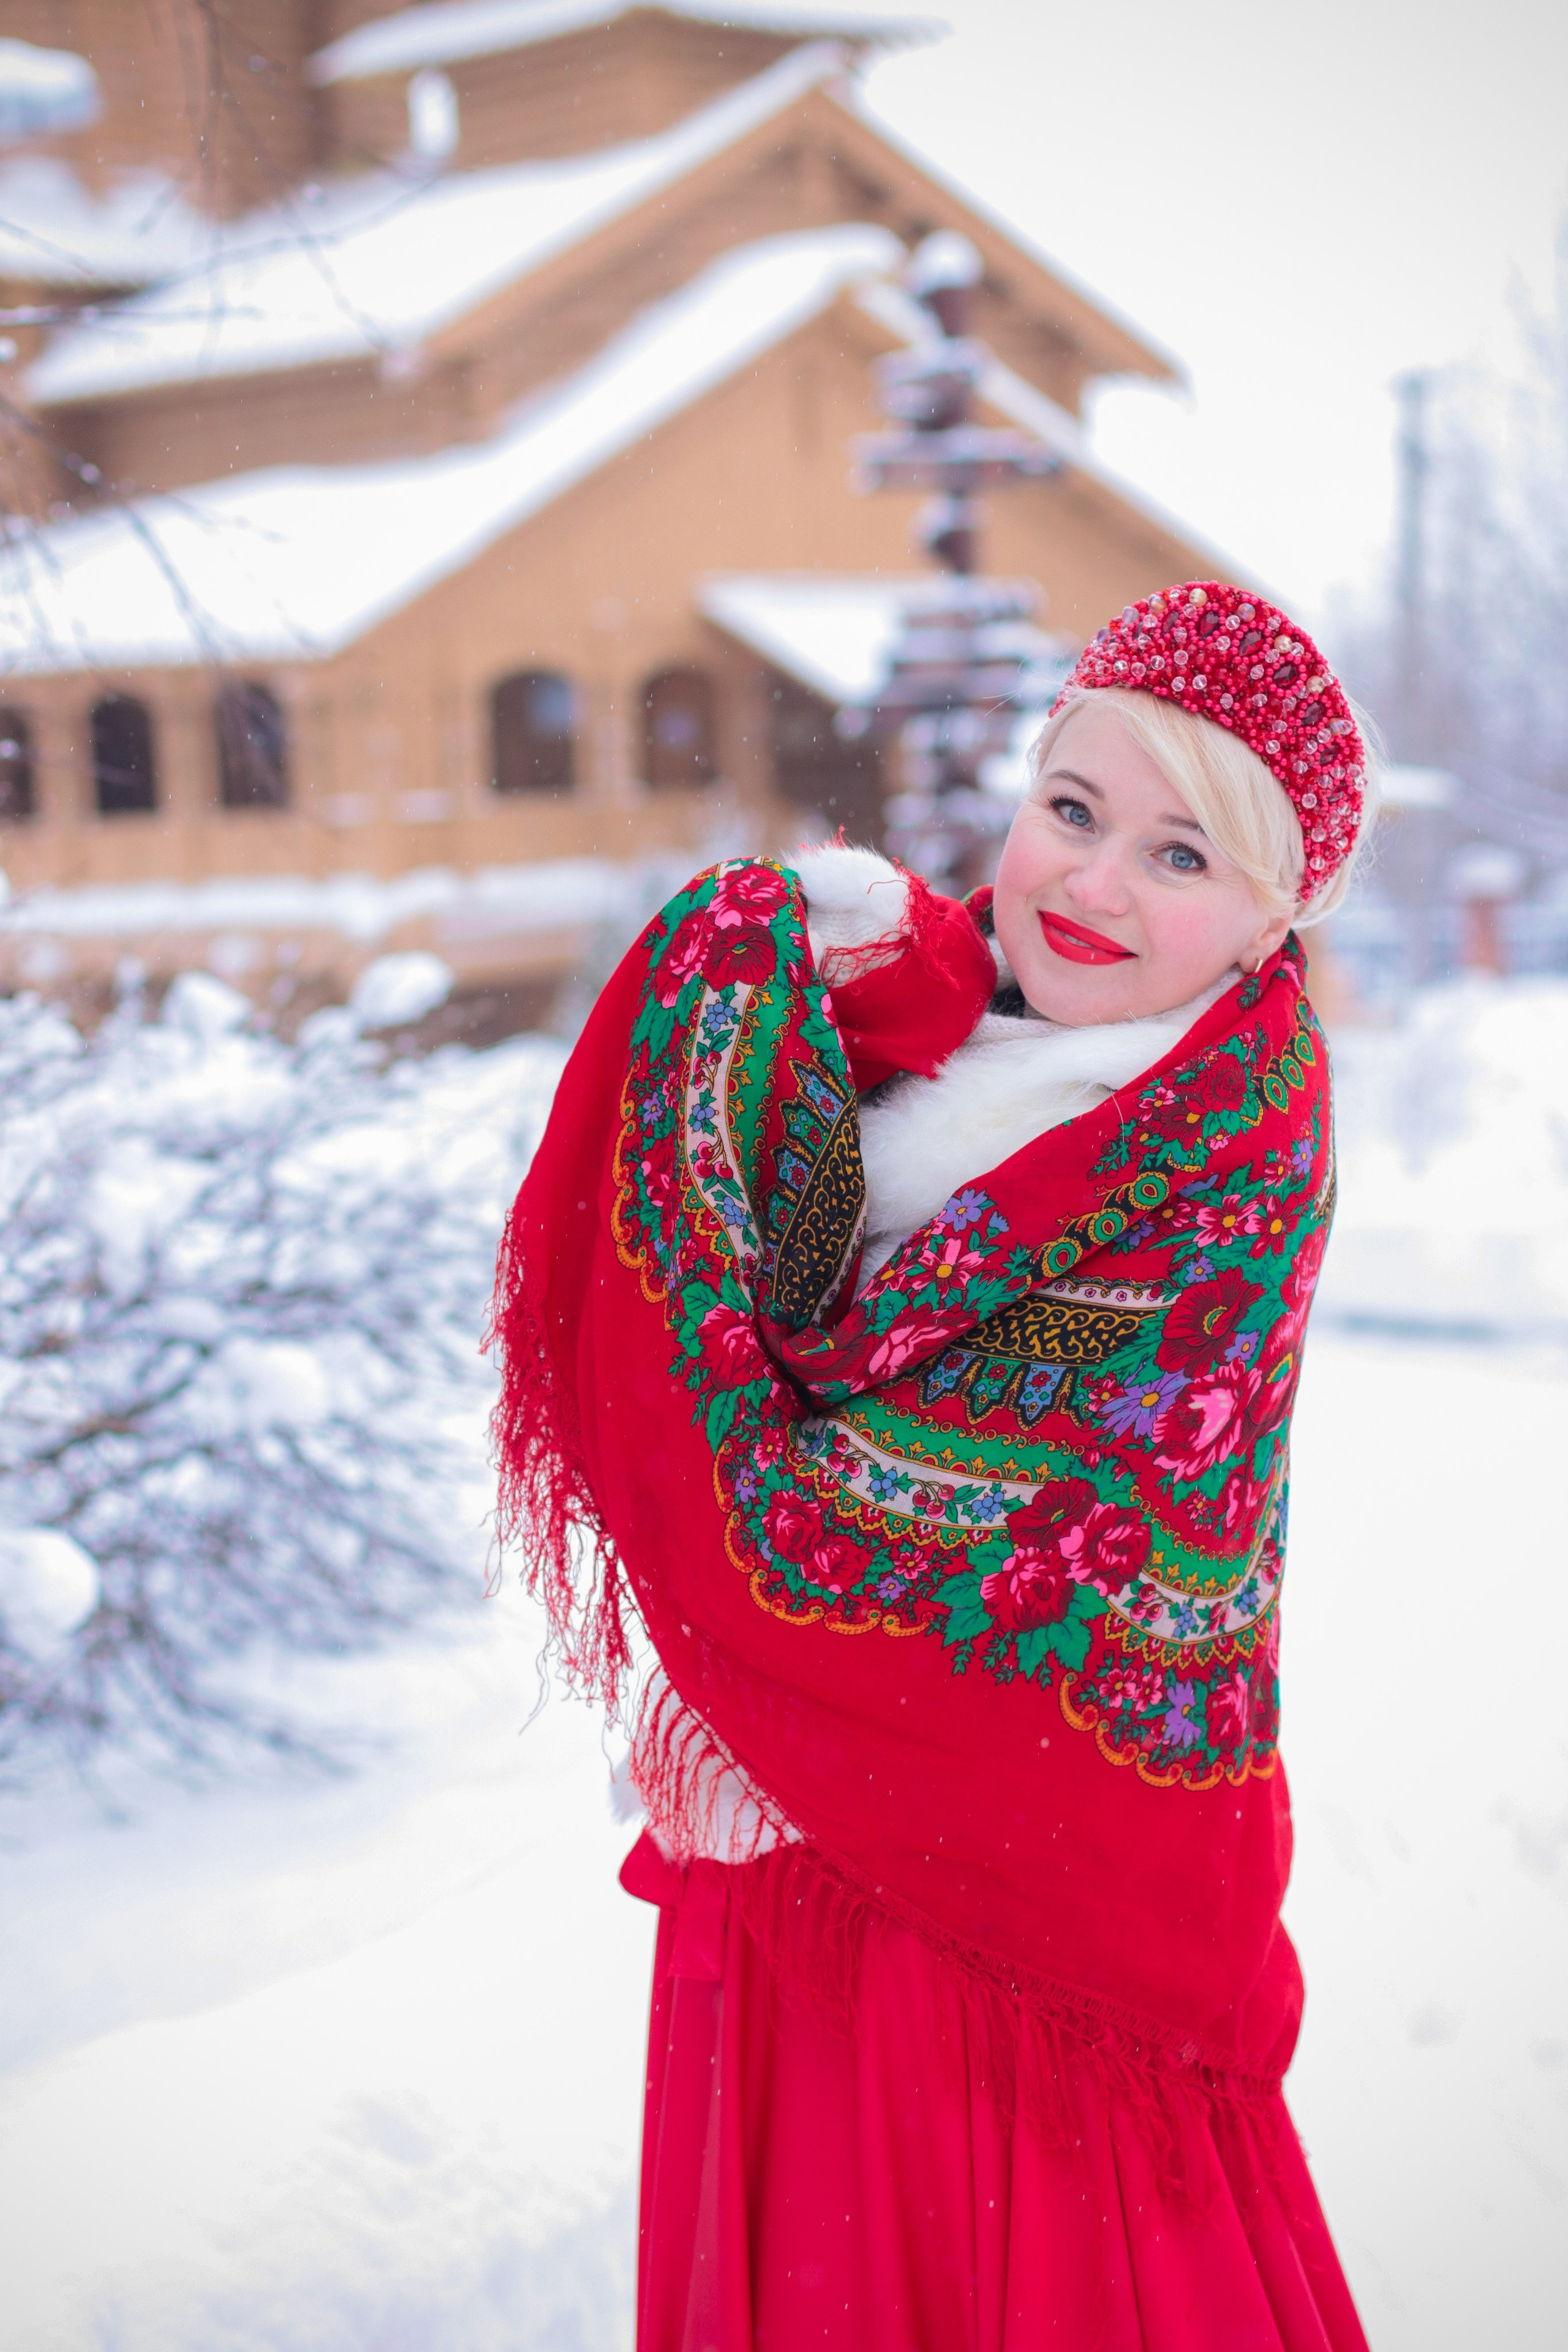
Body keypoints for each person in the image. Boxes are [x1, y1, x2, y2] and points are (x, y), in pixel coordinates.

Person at [489, 581, 1375, 2351]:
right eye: (1073, 809)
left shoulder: (1222, 1170)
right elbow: (731, 1302)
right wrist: (765, 982)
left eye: (1183, 855)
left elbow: (1032, 1524)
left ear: (1281, 917)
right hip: (803, 1872)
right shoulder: (910, 1031)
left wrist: (755, 1677)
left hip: (1018, 1924)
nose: (1095, 884)